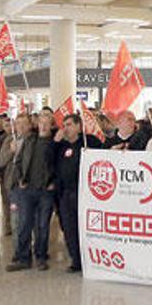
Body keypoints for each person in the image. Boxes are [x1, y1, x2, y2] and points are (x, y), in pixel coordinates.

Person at [6, 112, 56, 272]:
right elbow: (19, 160)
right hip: (27, 189)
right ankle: (23, 257)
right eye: (41, 122)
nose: (43, 125)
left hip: (45, 191)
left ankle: (41, 256)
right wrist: (20, 178)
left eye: (47, 123)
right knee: (24, 224)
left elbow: (58, 165)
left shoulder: (54, 143)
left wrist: (53, 182)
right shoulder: (30, 140)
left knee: (42, 226)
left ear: (51, 125)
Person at [53, 114, 101, 273]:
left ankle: (92, 259)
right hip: (65, 194)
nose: (65, 128)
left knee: (86, 228)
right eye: (64, 125)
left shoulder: (90, 141)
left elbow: (104, 156)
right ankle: (76, 260)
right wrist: (54, 143)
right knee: (69, 228)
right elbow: (48, 161)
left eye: (69, 125)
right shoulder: (61, 145)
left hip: (85, 194)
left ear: (78, 127)